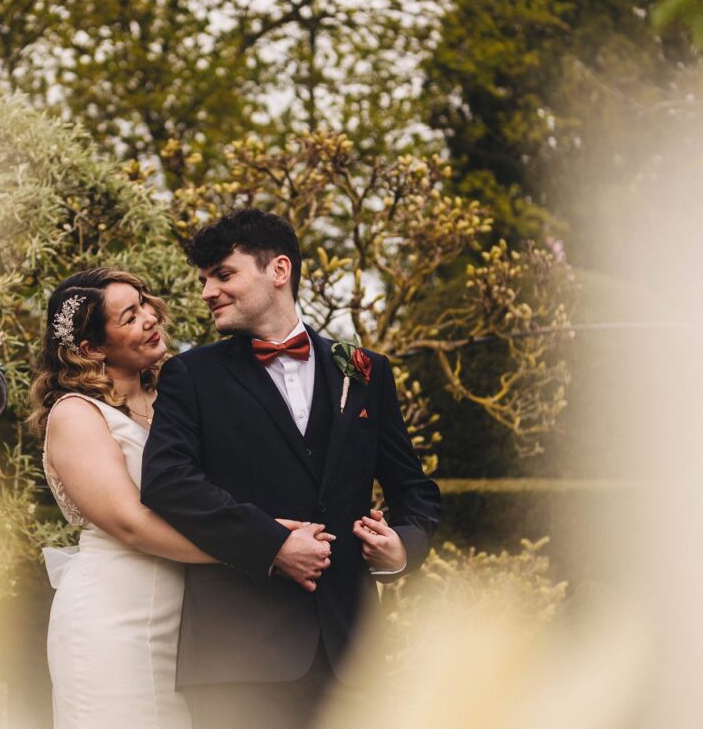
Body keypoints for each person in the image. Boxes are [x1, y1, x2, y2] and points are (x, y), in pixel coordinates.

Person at [140, 209, 441, 729]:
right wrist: (270, 544)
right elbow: (167, 483)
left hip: (352, 660)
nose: (208, 291)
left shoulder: (365, 370)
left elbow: (414, 489)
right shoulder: (191, 376)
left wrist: (403, 547)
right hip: (239, 657)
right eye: (204, 280)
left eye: (224, 274)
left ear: (279, 271)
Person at [29, 268, 334, 729]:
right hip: (114, 620)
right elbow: (131, 524)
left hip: (189, 628)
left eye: (145, 303)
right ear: (91, 349)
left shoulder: (174, 397)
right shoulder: (76, 414)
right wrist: (262, 546)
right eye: (130, 316)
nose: (151, 317)